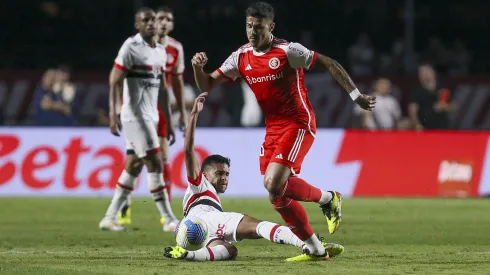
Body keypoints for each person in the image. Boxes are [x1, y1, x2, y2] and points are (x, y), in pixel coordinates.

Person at [191, 1, 375, 261]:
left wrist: (355, 96)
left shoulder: (289, 51)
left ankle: (327, 200)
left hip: (298, 123)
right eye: (249, 26)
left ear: (271, 27)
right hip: (273, 129)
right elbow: (208, 84)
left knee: (272, 182)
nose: (253, 32)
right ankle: (315, 246)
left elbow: (330, 63)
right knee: (276, 196)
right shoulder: (241, 56)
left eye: (259, 27)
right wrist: (198, 68)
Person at [163, 93, 345, 261]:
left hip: (198, 229)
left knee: (229, 251)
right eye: (219, 173)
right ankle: (309, 245)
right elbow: (188, 150)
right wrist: (194, 114)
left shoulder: (204, 195)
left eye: (226, 174)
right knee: (259, 226)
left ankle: (189, 254)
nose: (224, 178)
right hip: (205, 219)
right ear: (204, 175)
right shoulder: (199, 184)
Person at [98, 7, 178, 232]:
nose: (151, 23)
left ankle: (109, 217)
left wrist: (169, 122)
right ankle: (169, 219)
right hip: (134, 116)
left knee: (133, 165)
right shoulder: (131, 47)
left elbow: (162, 88)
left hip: (151, 116)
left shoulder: (161, 51)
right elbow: (114, 79)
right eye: (146, 20)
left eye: (153, 19)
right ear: (138, 25)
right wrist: (114, 114)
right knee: (156, 162)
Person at [118, 6, 186, 231]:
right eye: (160, 18)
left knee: (162, 158)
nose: (163, 22)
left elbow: (176, 83)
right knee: (136, 161)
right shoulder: (135, 45)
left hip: (161, 109)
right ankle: (124, 206)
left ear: (172, 24)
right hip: (138, 108)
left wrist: (181, 115)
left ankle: (164, 215)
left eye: (168, 19)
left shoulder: (176, 49)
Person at [408, 64, 456, 130]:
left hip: (443, 128)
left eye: (425, 72)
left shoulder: (443, 88)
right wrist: (417, 125)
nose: (422, 75)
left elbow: (453, 108)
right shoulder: (417, 92)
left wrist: (444, 106)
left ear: (433, 73)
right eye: (420, 73)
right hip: (426, 129)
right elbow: (412, 111)